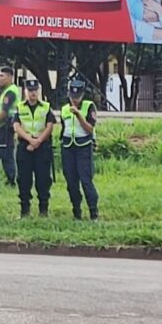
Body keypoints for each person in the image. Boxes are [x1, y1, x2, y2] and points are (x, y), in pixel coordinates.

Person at [12, 80, 56, 218]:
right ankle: (25, 210)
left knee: (43, 179)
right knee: (23, 180)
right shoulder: (20, 107)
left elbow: (49, 126)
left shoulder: (46, 107)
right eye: (30, 90)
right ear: (25, 91)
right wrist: (30, 140)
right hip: (25, 146)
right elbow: (16, 126)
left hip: (42, 146)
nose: (33, 93)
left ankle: (43, 210)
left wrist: (38, 141)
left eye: (35, 90)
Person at [60, 80, 99, 220]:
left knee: (86, 180)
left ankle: (93, 212)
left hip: (83, 146)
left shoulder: (89, 106)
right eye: (72, 96)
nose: (74, 99)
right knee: (71, 181)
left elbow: (90, 128)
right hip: (68, 147)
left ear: (83, 95)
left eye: (77, 96)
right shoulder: (64, 109)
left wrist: (79, 115)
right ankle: (76, 212)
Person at [0, 66, 19, 187]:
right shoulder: (8, 90)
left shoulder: (10, 92)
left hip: (6, 126)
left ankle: (11, 179)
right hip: (4, 126)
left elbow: (4, 111)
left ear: (10, 77)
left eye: (2, 76)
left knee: (6, 152)